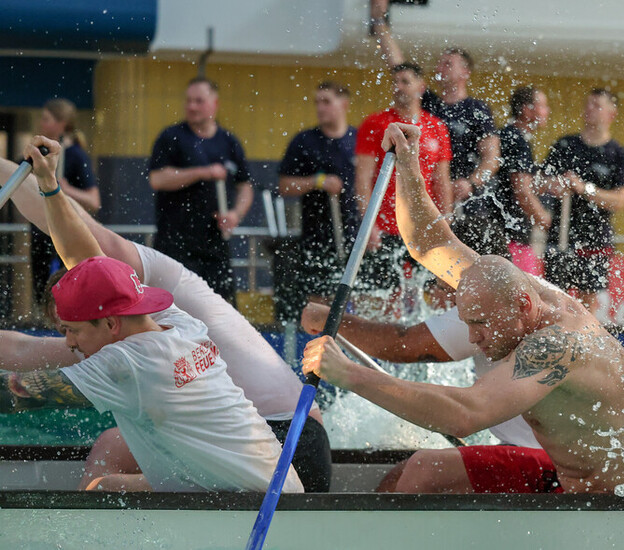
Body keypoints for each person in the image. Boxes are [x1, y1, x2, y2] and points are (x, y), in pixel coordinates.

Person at [302, 123, 624, 494]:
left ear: (522, 306)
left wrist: (348, 374)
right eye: (468, 322)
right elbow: (427, 241)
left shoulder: (559, 343)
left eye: (481, 324)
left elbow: (466, 414)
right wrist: (408, 163)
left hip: (614, 502)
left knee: (423, 471)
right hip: (563, 480)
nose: (472, 337)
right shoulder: (500, 290)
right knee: (409, 472)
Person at [0, 157, 331, 492]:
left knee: (104, 478)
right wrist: (48, 184)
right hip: (280, 475)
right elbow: (86, 258)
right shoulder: (177, 321)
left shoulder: (124, 364)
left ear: (111, 322)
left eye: (72, 330)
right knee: (110, 484)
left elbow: (12, 393)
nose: (69, 343)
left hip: (268, 483)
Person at [301, 295, 543, 493]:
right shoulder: (505, 297)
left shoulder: (488, 305)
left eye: (435, 286)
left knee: (423, 469)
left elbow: (402, 343)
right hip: (527, 450)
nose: (471, 337)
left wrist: (346, 364)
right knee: (399, 476)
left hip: (551, 464)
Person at [370, 0, 502, 255]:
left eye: (447, 64)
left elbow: (492, 158)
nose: (439, 68)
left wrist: (471, 183)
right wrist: (380, 24)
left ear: (465, 72)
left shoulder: (477, 109)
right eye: (439, 63)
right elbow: (397, 65)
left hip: (470, 205)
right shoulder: (428, 104)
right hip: (433, 204)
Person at [148, 77, 255, 304]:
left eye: (199, 101)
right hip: (175, 244)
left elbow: (245, 186)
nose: (192, 106)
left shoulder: (229, 142)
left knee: (223, 310)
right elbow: (157, 179)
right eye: (188, 101)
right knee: (174, 310)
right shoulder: (172, 137)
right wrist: (201, 172)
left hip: (215, 245)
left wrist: (236, 214)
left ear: (214, 104)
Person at [354, 63, 452, 291]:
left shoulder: (437, 127)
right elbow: (363, 179)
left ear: (421, 86)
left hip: (424, 227)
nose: (398, 87)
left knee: (431, 295)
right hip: (385, 226)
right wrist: (369, 226)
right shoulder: (375, 124)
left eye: (405, 81)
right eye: (395, 82)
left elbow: (442, 182)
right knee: (383, 297)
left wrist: (445, 224)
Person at [542, 89, 624, 311]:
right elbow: (541, 182)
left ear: (612, 114)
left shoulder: (618, 153)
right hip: (561, 233)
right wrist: (557, 185)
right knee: (554, 301)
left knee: (586, 307)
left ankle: (580, 344)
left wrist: (584, 188)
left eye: (597, 105)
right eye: (588, 104)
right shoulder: (565, 145)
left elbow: (619, 201)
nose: (589, 109)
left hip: (595, 237)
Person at [277, 81, 358, 314]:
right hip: (318, 237)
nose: (320, 108)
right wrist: (317, 182)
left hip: (355, 233)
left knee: (359, 297)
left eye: (326, 101)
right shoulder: (304, 142)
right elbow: (284, 186)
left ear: (344, 104)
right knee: (320, 303)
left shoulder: (359, 140)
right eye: (317, 102)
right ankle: (322, 347)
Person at [29, 98, 100, 307]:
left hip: (67, 232)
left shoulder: (76, 156)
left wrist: (65, 189)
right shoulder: (37, 153)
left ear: (62, 124)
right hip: (41, 232)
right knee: (42, 295)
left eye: (46, 119)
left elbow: (94, 201)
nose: (42, 124)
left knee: (68, 287)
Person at [495, 86, 552, 275]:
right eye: (542, 106)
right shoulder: (518, 140)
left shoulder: (506, 135)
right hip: (512, 236)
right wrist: (543, 218)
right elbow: (521, 190)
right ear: (527, 110)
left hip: (498, 231)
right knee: (526, 294)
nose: (547, 111)